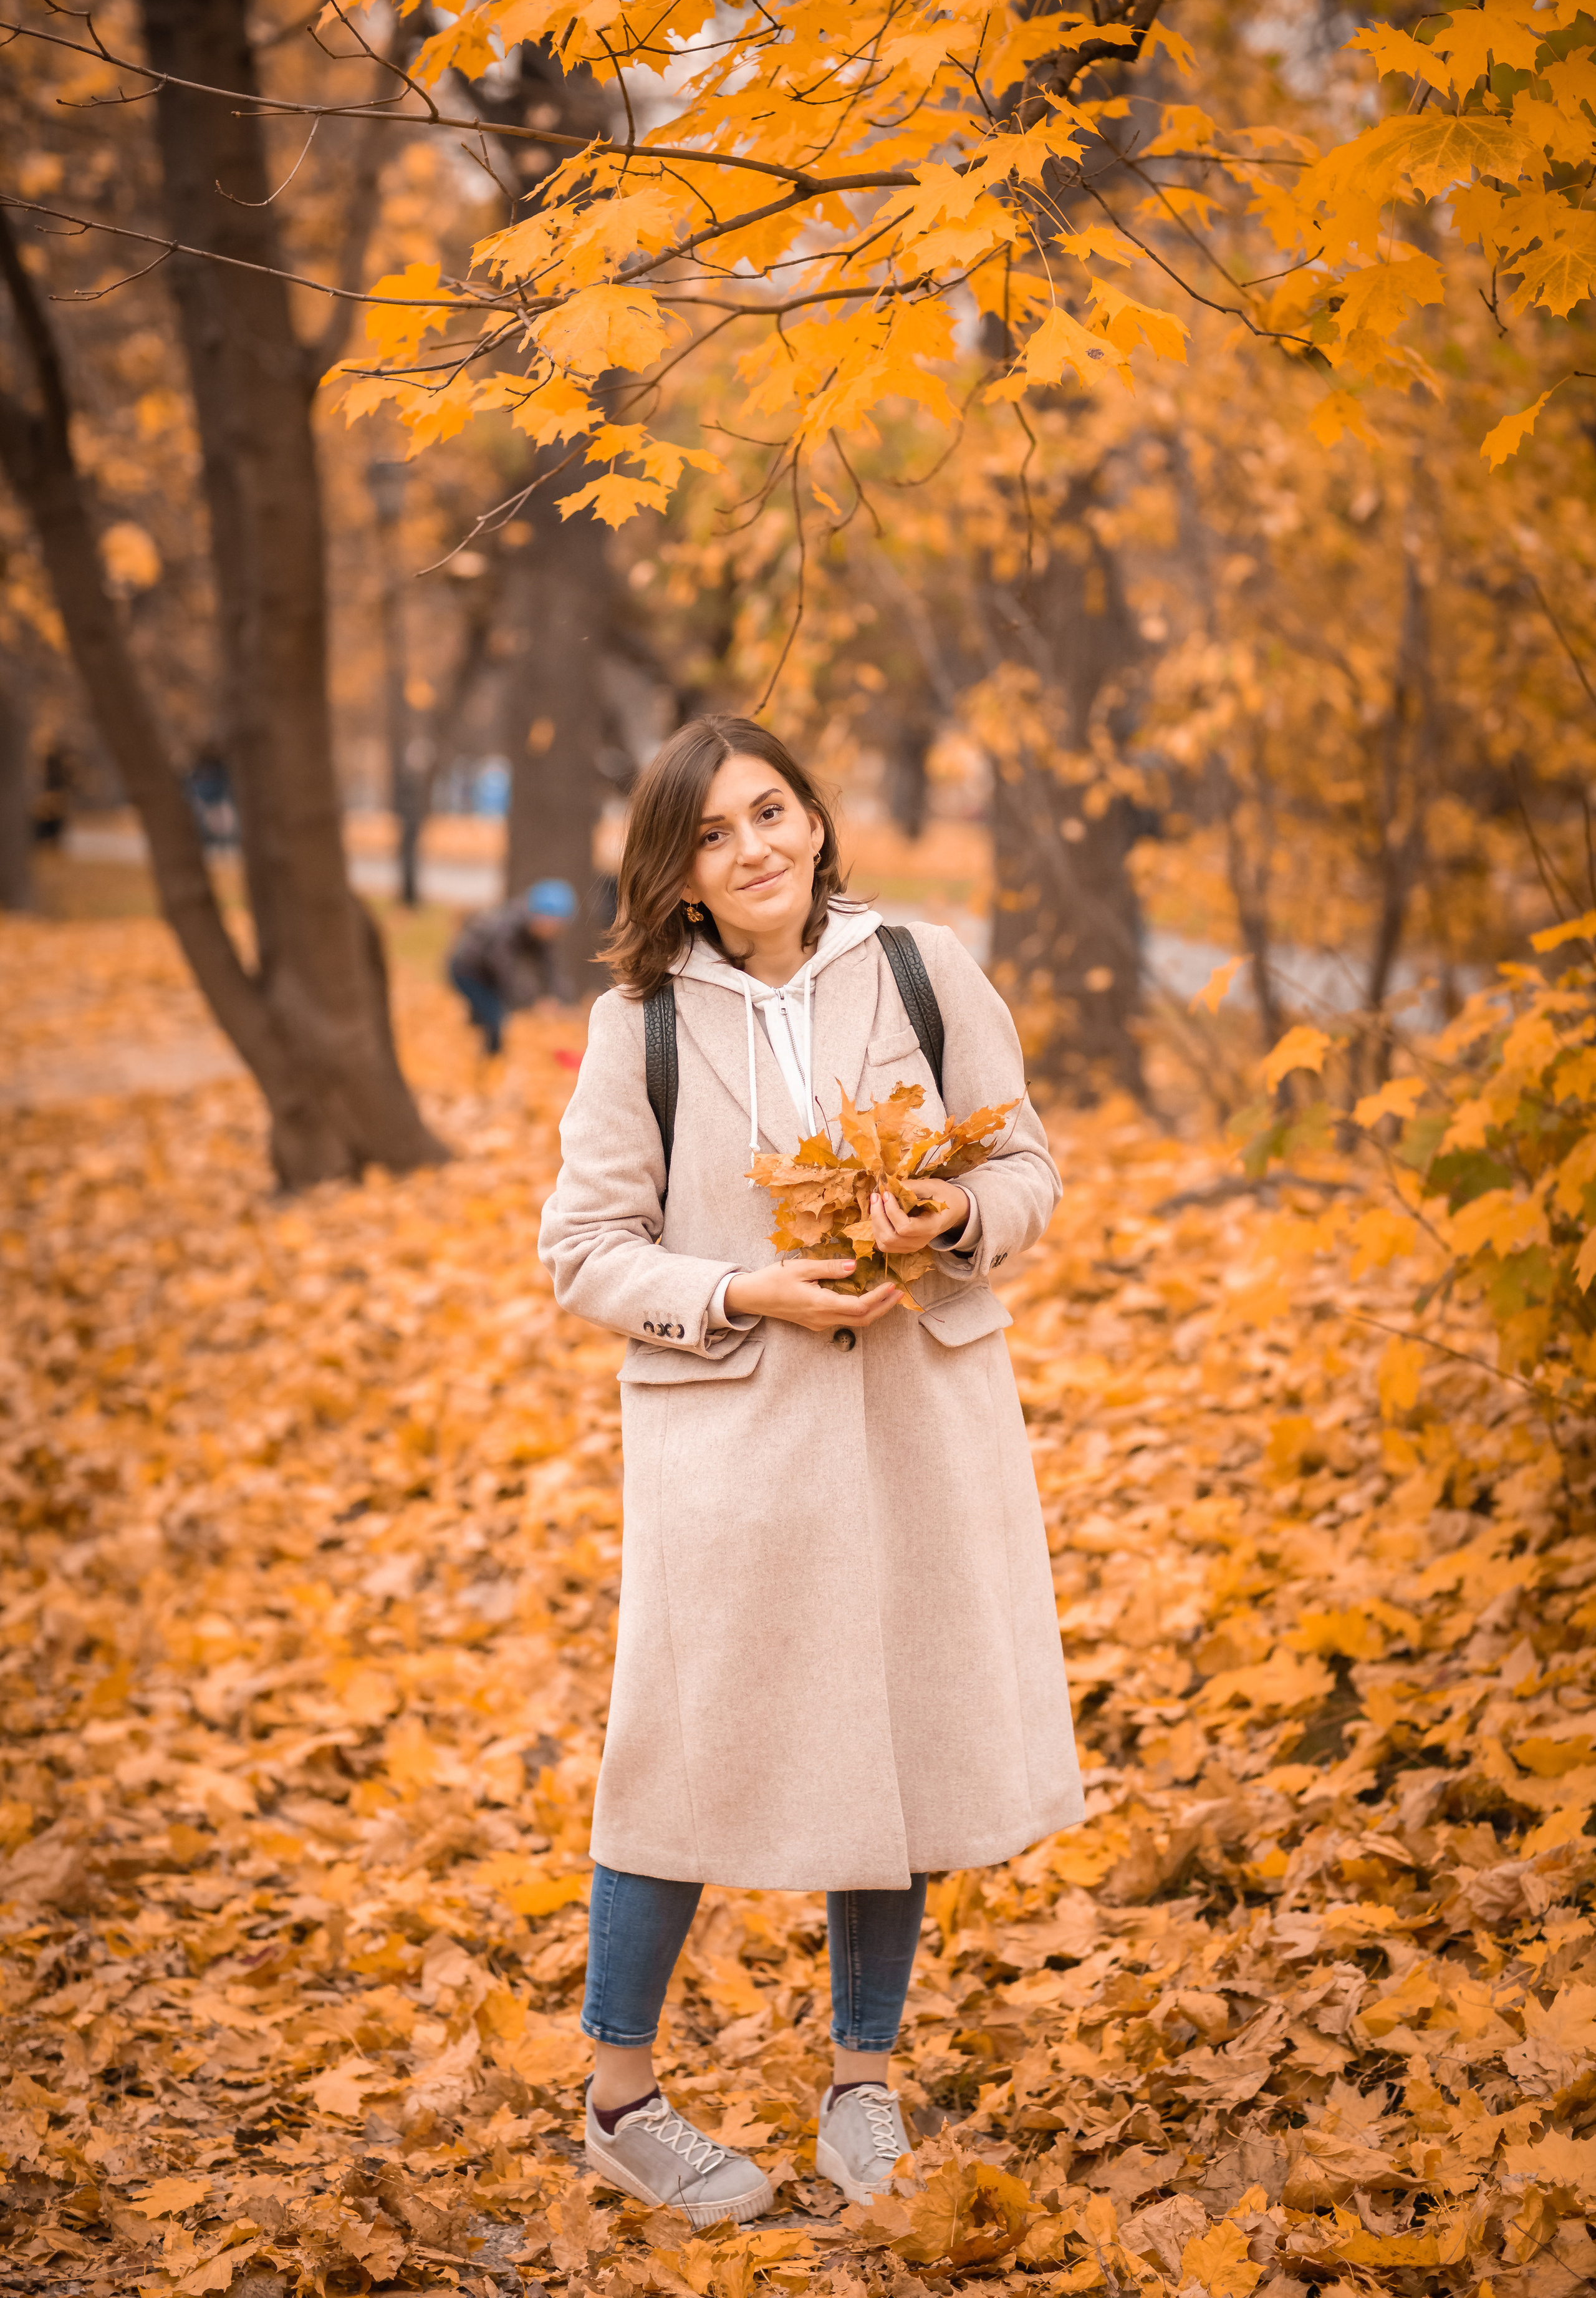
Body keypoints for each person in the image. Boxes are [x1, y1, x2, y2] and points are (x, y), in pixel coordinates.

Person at [537, 717, 1084, 2226]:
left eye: (770, 811)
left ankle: (861, 2085)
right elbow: (582, 1252)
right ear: (677, 874)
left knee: (888, 1742)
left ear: (815, 819)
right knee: (671, 1755)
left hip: (918, 1421)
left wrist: (953, 1216)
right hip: (734, 1441)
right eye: (712, 834)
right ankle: (619, 2101)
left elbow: (1025, 1168)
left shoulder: (920, 965)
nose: (753, 848)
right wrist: (742, 1289)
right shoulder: (638, 1024)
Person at [447, 879, 577, 1054]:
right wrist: (533, 1000)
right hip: (467, 970)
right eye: (551, 925)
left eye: (558, 927)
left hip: (488, 972)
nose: (553, 932)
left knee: (485, 1016)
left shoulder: (537, 932)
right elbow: (505, 971)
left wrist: (557, 995)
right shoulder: (505, 928)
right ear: (538, 916)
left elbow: (552, 967)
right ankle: (491, 1058)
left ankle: (473, 1050)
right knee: (495, 1016)